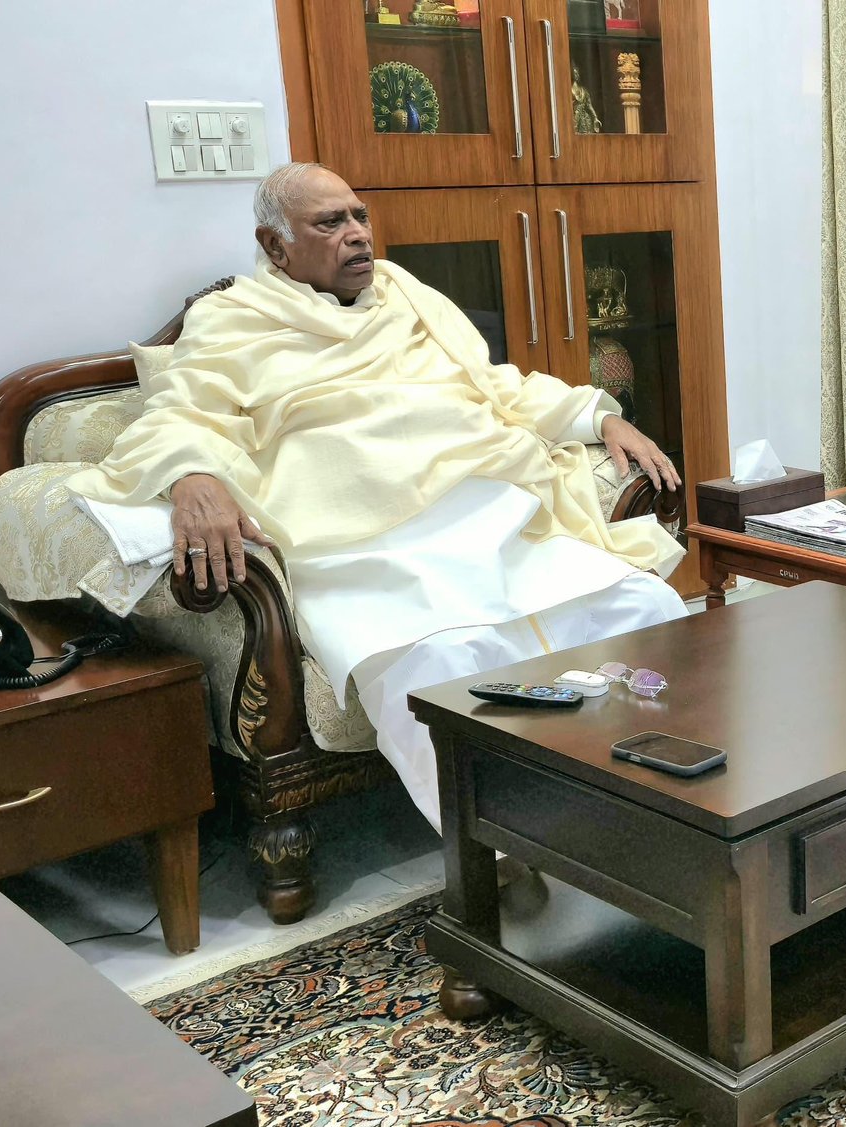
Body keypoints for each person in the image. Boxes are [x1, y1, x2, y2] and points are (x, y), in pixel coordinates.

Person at [68, 162, 689, 835]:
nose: (357, 235)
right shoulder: (230, 321)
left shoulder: (406, 294)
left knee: (644, 604)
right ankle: (512, 845)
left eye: (359, 216)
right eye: (330, 223)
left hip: (491, 522)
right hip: (366, 551)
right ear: (275, 245)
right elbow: (180, 413)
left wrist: (598, 416)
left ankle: (664, 800)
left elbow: (494, 383)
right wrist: (193, 478)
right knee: (443, 666)